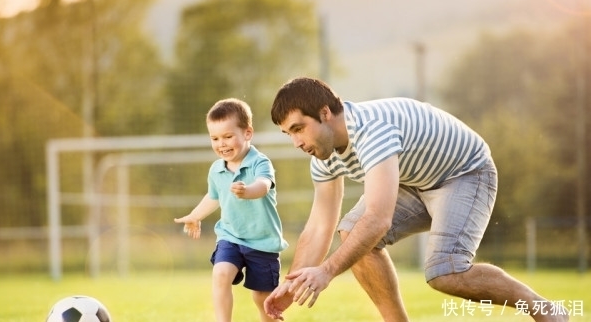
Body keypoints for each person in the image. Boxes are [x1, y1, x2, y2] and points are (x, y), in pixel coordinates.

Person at [263, 77, 568, 322]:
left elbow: (378, 219)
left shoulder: (372, 132)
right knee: (351, 231)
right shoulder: (323, 155)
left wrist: (327, 271)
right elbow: (319, 226)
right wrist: (293, 285)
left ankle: (546, 310)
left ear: (325, 113)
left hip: (464, 173)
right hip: (414, 181)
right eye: (289, 133)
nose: (296, 142)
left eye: (298, 129)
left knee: (445, 272)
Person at [174, 98, 288, 322]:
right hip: (231, 236)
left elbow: (264, 185)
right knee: (221, 273)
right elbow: (213, 196)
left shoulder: (259, 162)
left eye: (228, 136)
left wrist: (248, 190)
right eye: (215, 138)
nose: (221, 144)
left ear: (247, 133)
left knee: (262, 299)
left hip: (262, 242)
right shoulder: (216, 169)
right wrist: (195, 215)